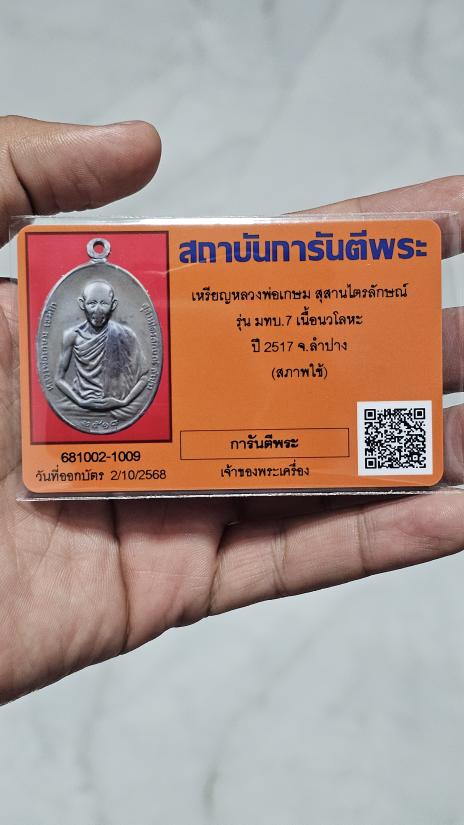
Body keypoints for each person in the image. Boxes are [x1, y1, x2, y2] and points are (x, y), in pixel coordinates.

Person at [0, 115, 463, 703]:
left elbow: (138, 377)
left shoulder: (126, 339)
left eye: (100, 307)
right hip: (80, 444)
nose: (92, 315)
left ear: (111, 307)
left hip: (121, 416)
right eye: (86, 307)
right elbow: (61, 381)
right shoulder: (66, 338)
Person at [55, 279, 148, 411]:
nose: (97, 310)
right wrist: (80, 402)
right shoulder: (72, 336)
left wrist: (124, 402)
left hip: (117, 406)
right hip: (81, 405)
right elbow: (58, 379)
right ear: (82, 304)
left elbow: (145, 376)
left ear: (113, 305)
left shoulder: (126, 335)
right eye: (92, 303)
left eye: (104, 303)